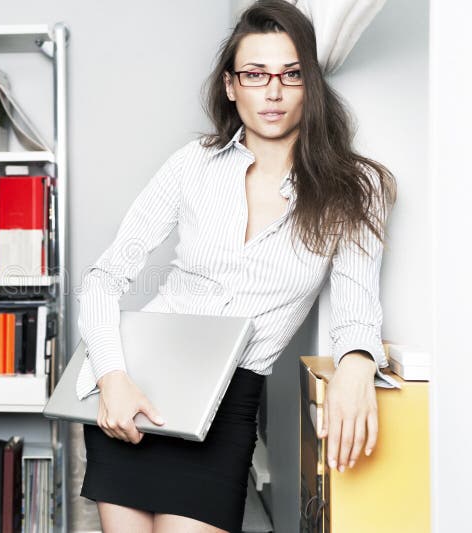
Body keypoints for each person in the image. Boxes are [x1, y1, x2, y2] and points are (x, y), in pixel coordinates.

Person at [75, 1, 398, 532]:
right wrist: (112, 376)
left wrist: (359, 362)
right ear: (231, 85)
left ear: (310, 84)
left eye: (291, 74)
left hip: (227, 408)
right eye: (255, 74)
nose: (272, 91)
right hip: (134, 390)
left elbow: (356, 302)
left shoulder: (355, 188)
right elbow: (104, 278)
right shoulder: (193, 164)